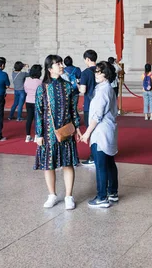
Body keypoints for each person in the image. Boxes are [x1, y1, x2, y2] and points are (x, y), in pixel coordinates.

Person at [34, 55, 82, 210]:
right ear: (49, 69)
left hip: (66, 130)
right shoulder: (42, 88)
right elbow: (38, 112)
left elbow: (73, 110)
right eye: (58, 64)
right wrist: (39, 134)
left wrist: (78, 128)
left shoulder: (68, 86)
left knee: (67, 164)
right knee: (49, 165)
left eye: (61, 63)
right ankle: (52, 195)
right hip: (48, 131)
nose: (61, 66)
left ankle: (69, 196)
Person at [80, 61, 119, 208]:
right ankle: (112, 192)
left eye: (98, 72)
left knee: (101, 165)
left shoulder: (103, 90)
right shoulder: (106, 88)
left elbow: (97, 116)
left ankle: (102, 197)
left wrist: (86, 134)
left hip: (101, 131)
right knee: (109, 163)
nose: (96, 74)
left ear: (106, 74)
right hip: (107, 130)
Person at [79, 49, 98, 165]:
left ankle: (93, 157)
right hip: (100, 104)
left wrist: (77, 86)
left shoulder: (85, 73)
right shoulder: (101, 70)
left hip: (89, 105)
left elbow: (83, 90)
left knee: (90, 131)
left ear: (87, 59)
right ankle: (100, 155)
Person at [24, 64, 42, 142]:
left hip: (28, 101)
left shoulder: (27, 80)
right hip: (37, 102)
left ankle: (28, 136)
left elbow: (26, 90)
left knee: (29, 118)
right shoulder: (40, 82)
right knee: (37, 119)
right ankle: (36, 135)